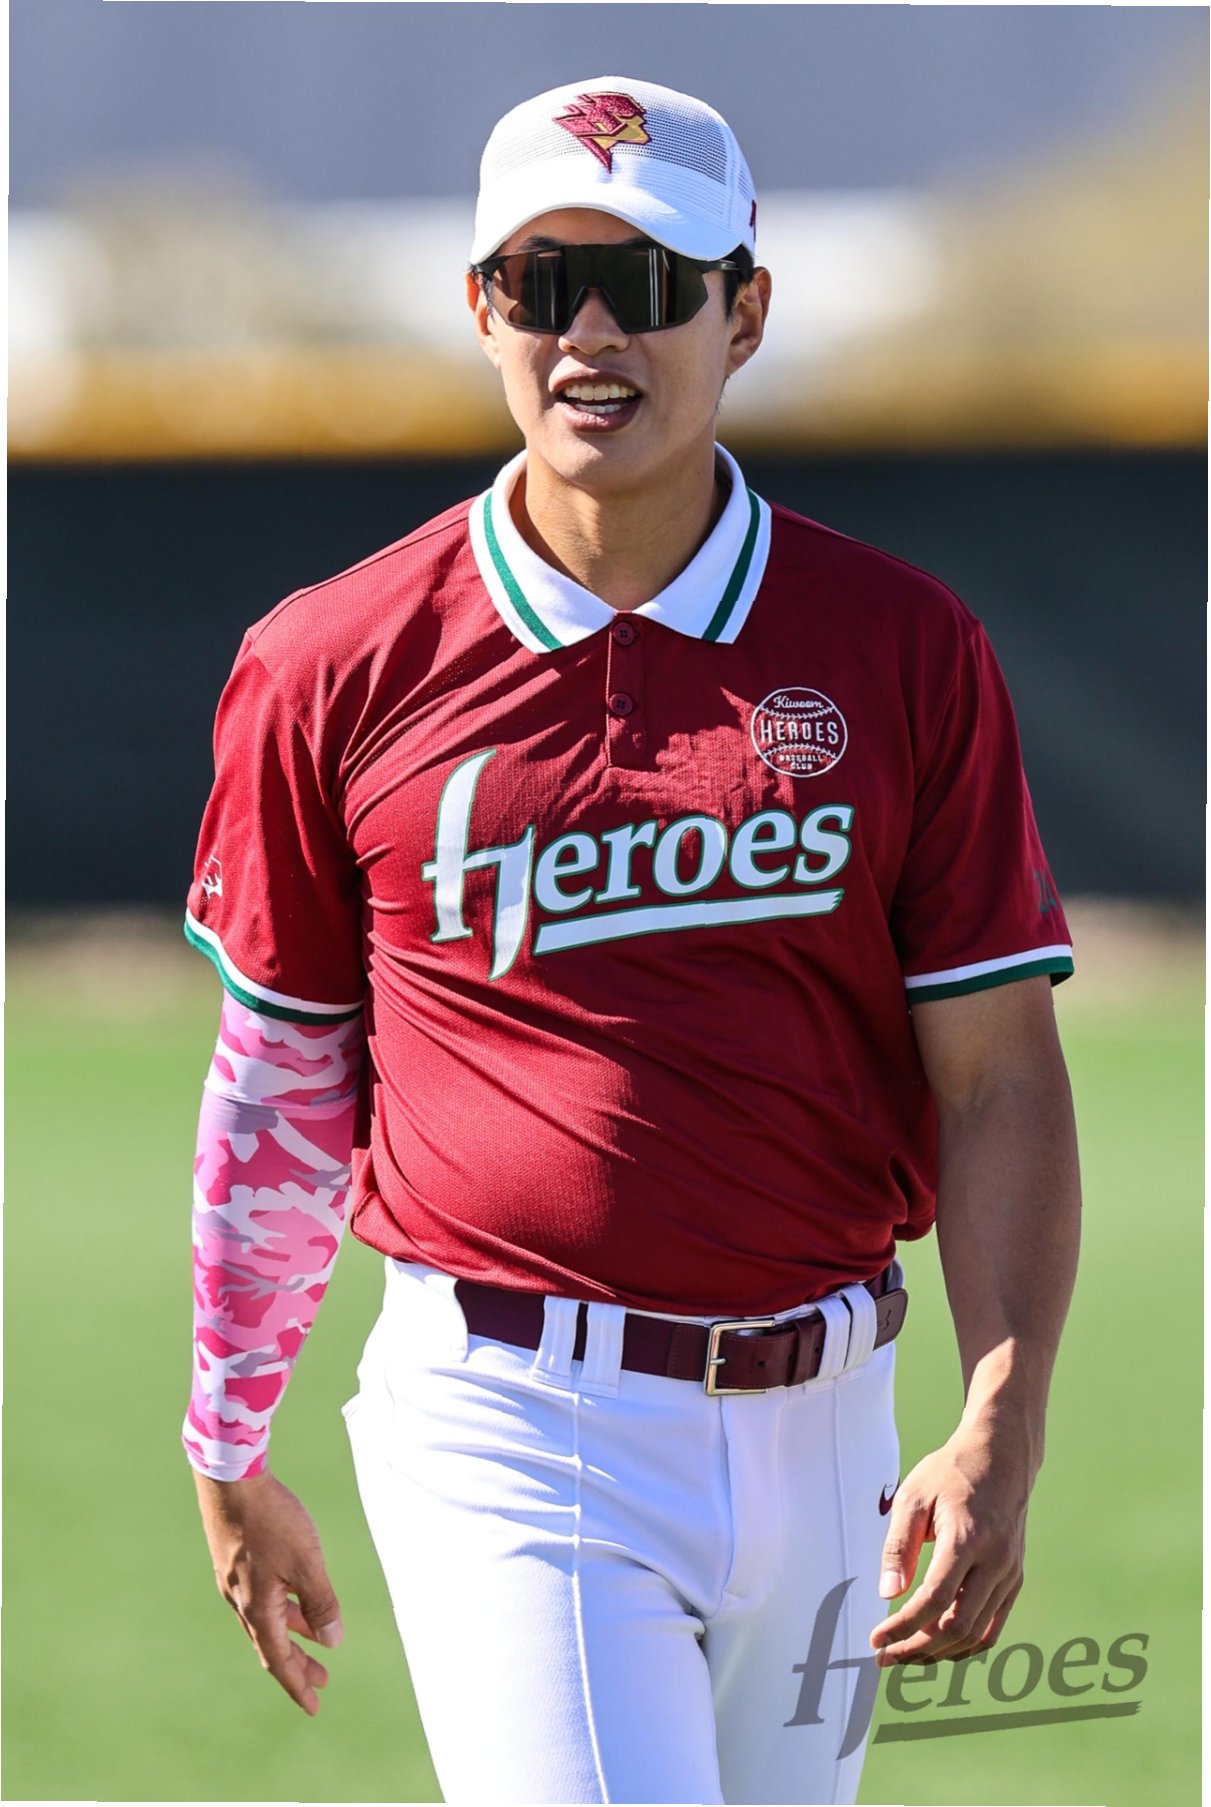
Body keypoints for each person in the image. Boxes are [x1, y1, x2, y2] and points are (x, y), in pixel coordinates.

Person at [183, 76, 1081, 1807]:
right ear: (482, 311)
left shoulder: (902, 646)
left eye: (649, 283)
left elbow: (996, 1074)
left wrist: (1002, 1412)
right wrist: (227, 1433)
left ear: (744, 314)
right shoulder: (330, 661)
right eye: (543, 282)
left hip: (834, 1414)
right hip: (513, 1422)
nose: (592, 331)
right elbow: (281, 1073)